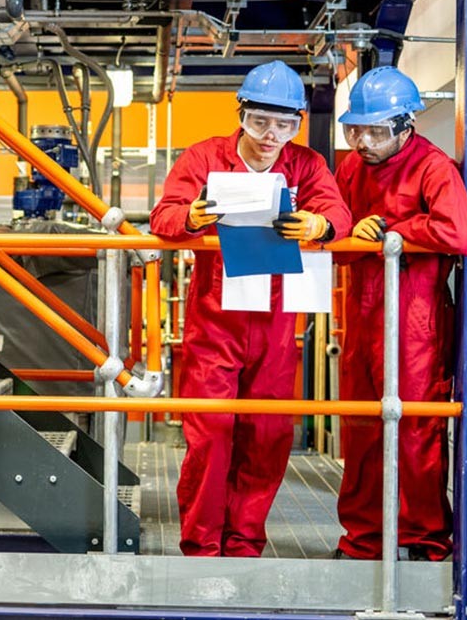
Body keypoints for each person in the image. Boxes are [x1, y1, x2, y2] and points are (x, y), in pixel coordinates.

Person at [150, 60, 351, 557]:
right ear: (240, 114)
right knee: (211, 435)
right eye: (261, 121)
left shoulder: (306, 165)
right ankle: (201, 544)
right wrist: (192, 217)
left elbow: (338, 214)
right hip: (216, 321)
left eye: (285, 124)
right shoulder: (204, 158)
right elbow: (164, 216)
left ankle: (244, 543)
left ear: (298, 123)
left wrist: (318, 228)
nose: (271, 135)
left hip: (280, 323)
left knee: (265, 435)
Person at [333, 66, 467, 561]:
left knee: (417, 432)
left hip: (417, 321)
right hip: (361, 312)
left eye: (376, 131)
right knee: (360, 431)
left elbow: (458, 234)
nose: (364, 141)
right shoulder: (351, 168)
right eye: (356, 130)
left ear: (406, 126)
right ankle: (363, 539)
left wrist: (393, 228)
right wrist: (352, 235)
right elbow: (338, 236)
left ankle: (423, 541)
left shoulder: (434, 168)